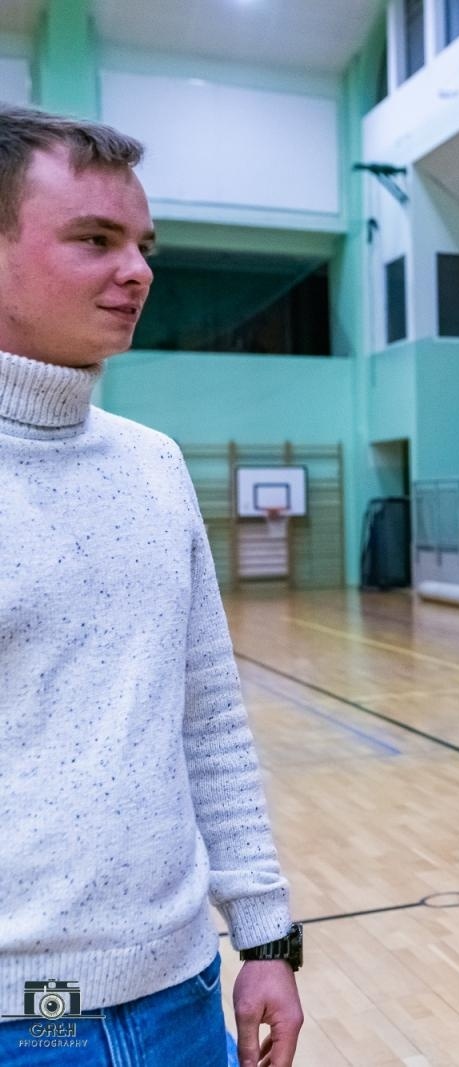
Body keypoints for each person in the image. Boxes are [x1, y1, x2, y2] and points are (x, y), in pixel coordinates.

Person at [0, 105, 303, 1067]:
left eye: (143, 244)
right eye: (95, 240)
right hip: (26, 1018)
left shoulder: (155, 464)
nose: (138, 271)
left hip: (184, 991)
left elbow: (208, 717)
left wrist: (265, 936)